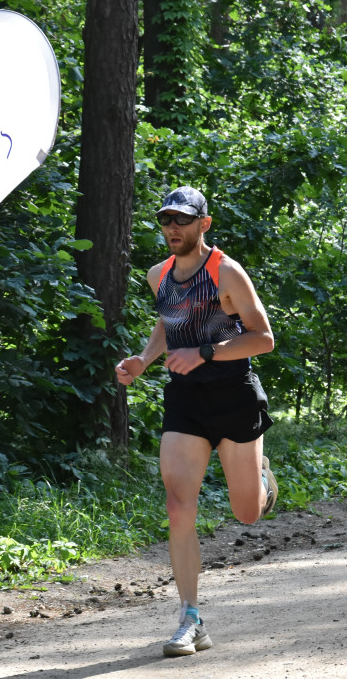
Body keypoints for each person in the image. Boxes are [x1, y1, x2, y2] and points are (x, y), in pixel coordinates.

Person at [114, 186, 277, 657]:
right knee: (177, 507)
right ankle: (190, 618)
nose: (172, 228)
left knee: (246, 512)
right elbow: (170, 319)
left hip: (234, 397)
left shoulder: (226, 271)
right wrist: (144, 359)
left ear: (203, 224)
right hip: (185, 401)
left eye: (182, 220)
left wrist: (204, 352)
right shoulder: (157, 274)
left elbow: (263, 338)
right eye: (166, 220)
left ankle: (262, 479)